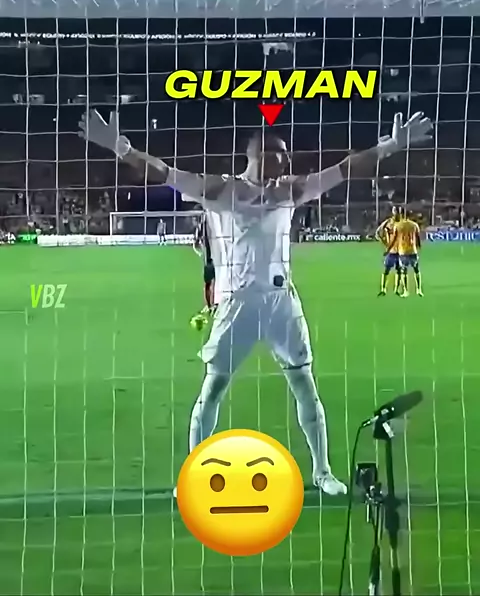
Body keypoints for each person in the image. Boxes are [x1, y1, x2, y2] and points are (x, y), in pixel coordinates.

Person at [79, 109, 432, 496]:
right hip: (238, 305)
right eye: (275, 151)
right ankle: (193, 473)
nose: (282, 159)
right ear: (254, 153)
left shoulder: (290, 191)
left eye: (285, 154)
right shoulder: (219, 190)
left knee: (305, 385)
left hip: (281, 302)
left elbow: (345, 170)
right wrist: (121, 147)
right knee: (213, 389)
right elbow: (163, 172)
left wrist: (390, 146)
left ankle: (323, 472)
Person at [190, 215, 217, 331]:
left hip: (213, 259)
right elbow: (196, 242)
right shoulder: (205, 226)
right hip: (211, 259)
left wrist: (198, 249)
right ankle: (210, 305)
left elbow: (196, 242)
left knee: (211, 283)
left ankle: (211, 305)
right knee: (209, 283)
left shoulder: (207, 226)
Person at [390, 210, 423, 298]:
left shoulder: (398, 225)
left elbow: (394, 239)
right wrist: (419, 246)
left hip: (403, 251)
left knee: (404, 271)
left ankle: (406, 291)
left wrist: (389, 248)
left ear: (401, 215)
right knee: (416, 270)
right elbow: (418, 238)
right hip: (413, 250)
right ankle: (419, 289)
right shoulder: (414, 225)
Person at [376, 206, 402, 297]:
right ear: (393, 212)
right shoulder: (388, 222)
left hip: (401, 251)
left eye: (398, 211)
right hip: (391, 251)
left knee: (399, 270)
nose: (397, 213)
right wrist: (384, 242)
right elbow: (378, 233)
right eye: (395, 211)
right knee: (386, 270)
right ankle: (383, 289)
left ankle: (396, 289)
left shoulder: (402, 223)